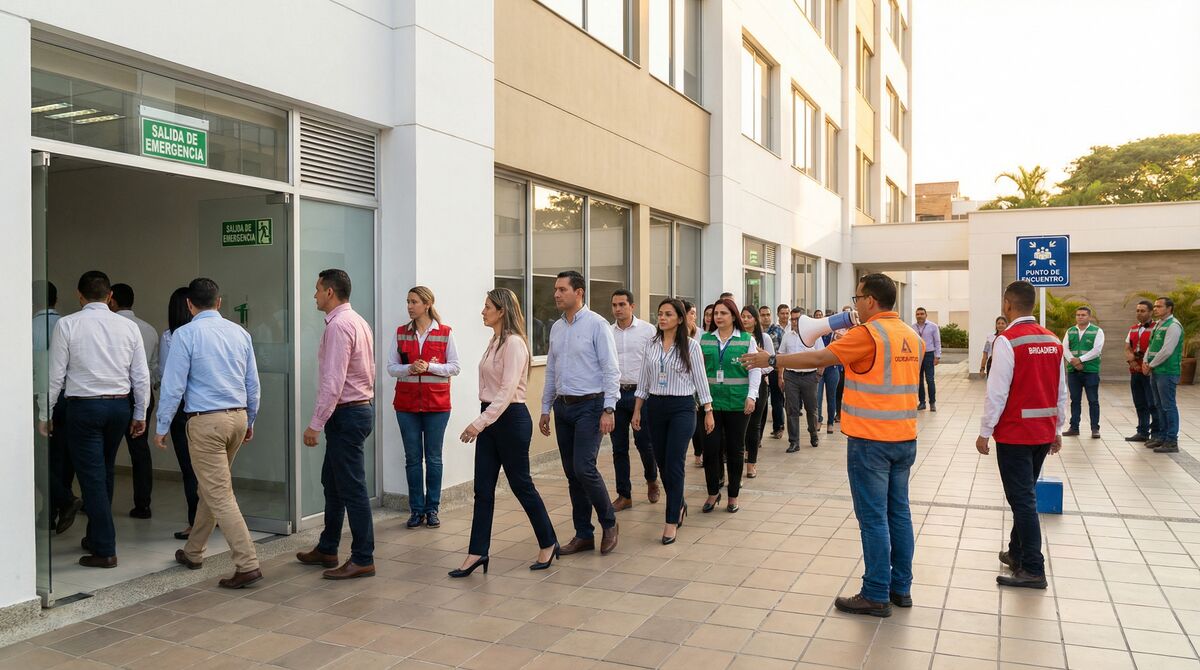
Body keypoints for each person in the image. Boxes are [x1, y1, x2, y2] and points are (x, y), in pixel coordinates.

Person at [742, 273, 922, 617]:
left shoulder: (868, 334)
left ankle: (875, 592)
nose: (854, 305)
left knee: (873, 519)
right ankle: (901, 588)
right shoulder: (910, 336)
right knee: (899, 513)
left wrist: (772, 360)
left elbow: (816, 359)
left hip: (871, 441)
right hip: (905, 438)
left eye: (857, 299)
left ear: (870, 300)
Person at [156, 277, 261, 588]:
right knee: (211, 488)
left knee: (218, 492)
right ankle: (193, 551)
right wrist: (250, 420)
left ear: (189, 305)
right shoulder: (240, 333)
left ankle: (248, 563)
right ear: (219, 302)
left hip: (206, 422)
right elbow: (252, 384)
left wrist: (161, 426)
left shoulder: (184, 335)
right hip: (237, 417)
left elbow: (174, 386)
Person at [43, 271, 150, 569]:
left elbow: (55, 376)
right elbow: (140, 375)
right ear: (110, 296)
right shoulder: (128, 328)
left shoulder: (68, 324)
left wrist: (46, 413)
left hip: (84, 409)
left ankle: (104, 548)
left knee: (91, 476)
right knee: (103, 470)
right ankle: (94, 538)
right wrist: (140, 413)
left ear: (79, 295)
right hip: (119, 408)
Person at [452, 289, 558, 577]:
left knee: (521, 484)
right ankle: (477, 553)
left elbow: (507, 390)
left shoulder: (514, 344)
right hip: (492, 417)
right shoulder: (494, 341)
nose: (482, 311)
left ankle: (548, 542)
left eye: (487, 307)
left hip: (510, 419)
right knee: (482, 489)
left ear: (501, 311)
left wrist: (479, 422)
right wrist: (485, 420)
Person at [976, 280, 1067, 590]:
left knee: (1023, 501)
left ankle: (1032, 567)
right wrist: (1057, 429)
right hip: (1042, 432)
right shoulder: (1053, 340)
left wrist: (985, 432)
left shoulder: (1008, 340)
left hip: (1015, 433)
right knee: (1025, 495)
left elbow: (997, 392)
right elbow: (1061, 391)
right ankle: (1016, 553)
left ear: (1007, 304)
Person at [298, 269, 377, 580]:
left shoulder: (339, 326)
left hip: (346, 414)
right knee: (332, 483)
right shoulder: (356, 321)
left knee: (352, 489)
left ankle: (363, 557)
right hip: (354, 411)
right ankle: (328, 547)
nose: (314, 295)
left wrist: (315, 425)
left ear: (330, 292)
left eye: (317, 289)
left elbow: (333, 382)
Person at [540, 271, 621, 555]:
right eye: (556, 289)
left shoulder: (598, 325)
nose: (556, 294)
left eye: (562, 289)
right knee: (571, 473)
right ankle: (583, 534)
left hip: (591, 405)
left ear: (579, 292)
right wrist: (545, 407)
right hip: (563, 407)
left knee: (584, 468)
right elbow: (551, 369)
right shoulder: (557, 328)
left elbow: (611, 370)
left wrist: (609, 408)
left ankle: (609, 523)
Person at [633, 298, 713, 544]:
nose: (662, 317)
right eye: (660, 313)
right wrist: (637, 410)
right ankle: (679, 503)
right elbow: (644, 381)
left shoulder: (691, 346)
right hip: (655, 406)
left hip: (682, 408)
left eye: (668, 314)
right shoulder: (651, 344)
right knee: (662, 463)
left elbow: (701, 380)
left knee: (675, 462)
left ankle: (670, 521)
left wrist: (708, 410)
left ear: (680, 318)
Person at [388, 286, 461, 529]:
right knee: (412, 459)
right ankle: (416, 510)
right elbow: (391, 367)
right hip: (406, 405)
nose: (409, 306)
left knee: (433, 459)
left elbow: (455, 367)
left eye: (414, 302)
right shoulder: (400, 333)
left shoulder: (444, 333)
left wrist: (429, 367)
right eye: (408, 301)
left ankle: (432, 509)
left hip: (437, 406)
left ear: (427, 304)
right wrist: (409, 369)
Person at [699, 298, 760, 513]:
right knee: (711, 449)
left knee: (735, 450)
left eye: (723, 313)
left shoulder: (746, 340)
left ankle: (733, 495)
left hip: (737, 403)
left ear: (733, 316)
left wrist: (752, 396)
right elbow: (699, 372)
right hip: (710, 405)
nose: (718, 317)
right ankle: (713, 492)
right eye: (716, 313)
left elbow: (755, 369)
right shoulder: (705, 340)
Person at [34, 280, 81, 535]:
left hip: (42, 397)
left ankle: (63, 500)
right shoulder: (70, 324)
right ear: (56, 299)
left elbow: (42, 371)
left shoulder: (30, 328)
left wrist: (43, 408)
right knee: (61, 458)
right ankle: (49, 513)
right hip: (70, 397)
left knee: (37, 460)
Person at [109, 283, 159, 519]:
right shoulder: (148, 329)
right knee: (139, 450)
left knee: (105, 450)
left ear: (112, 300)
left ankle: (99, 504)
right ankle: (143, 504)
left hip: (117, 394)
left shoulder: (110, 327)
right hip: (144, 393)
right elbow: (155, 368)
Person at [609, 290, 659, 510]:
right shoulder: (607, 332)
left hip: (642, 394)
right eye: (614, 305)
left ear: (632, 306)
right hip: (616, 394)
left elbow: (657, 362)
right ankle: (624, 494)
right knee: (618, 447)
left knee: (644, 443)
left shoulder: (648, 331)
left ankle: (651, 480)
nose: (618, 309)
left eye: (622, 304)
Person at [159, 287, 199, 540]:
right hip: (214, 411)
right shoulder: (220, 332)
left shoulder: (171, 337)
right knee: (212, 472)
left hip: (184, 412)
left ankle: (196, 523)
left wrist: (162, 423)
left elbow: (169, 379)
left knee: (190, 469)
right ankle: (210, 519)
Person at [779, 305, 824, 452]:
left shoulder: (814, 335)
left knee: (811, 409)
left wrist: (818, 375)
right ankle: (794, 442)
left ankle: (813, 433)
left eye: (797, 319)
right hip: (791, 376)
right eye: (792, 320)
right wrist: (781, 376)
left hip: (810, 377)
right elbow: (781, 357)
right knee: (791, 409)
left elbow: (823, 356)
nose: (794, 322)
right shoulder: (787, 336)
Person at [1144, 297, 1184, 453]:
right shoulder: (1158, 325)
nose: (1155, 309)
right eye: (1154, 306)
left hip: (1167, 371)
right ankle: (1161, 436)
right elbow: (1152, 346)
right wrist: (1146, 362)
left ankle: (1171, 440)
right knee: (1159, 405)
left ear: (1169, 309)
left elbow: (1167, 350)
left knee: (1168, 406)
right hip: (1156, 370)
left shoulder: (1174, 326)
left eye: (1159, 306)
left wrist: (1151, 365)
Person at [1061, 306, 1104, 439]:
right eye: (1078, 315)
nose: (1080, 317)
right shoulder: (1070, 331)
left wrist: (1080, 360)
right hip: (1073, 372)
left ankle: (1095, 429)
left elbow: (1096, 350)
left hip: (1090, 371)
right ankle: (1074, 427)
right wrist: (1073, 361)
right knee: (1075, 400)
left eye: (1083, 315)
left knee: (1093, 400)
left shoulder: (1097, 331)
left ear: (1089, 317)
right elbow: (1065, 348)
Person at [742, 306, 773, 478]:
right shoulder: (738, 337)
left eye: (749, 317)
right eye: (743, 316)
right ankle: (741, 456)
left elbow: (771, 363)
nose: (746, 320)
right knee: (740, 426)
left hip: (759, 383)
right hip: (739, 384)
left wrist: (756, 368)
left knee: (754, 425)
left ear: (755, 319)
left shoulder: (764, 338)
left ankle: (751, 462)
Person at [1124, 300, 1158, 443]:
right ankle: (1142, 432)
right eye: (1137, 310)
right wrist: (1132, 362)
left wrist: (1146, 365)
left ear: (1150, 312)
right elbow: (1127, 347)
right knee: (1140, 403)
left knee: (1153, 403)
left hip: (1149, 371)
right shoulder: (1133, 328)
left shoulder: (1156, 328)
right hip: (1135, 371)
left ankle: (1156, 433)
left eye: (1142, 311)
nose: (1139, 313)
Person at [814, 310, 841, 436]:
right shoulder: (818, 334)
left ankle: (830, 422)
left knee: (832, 396)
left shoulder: (837, 335)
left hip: (832, 369)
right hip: (819, 369)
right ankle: (819, 420)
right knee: (818, 397)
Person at [764, 304, 788, 439]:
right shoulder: (755, 332)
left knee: (776, 400)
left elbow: (782, 354)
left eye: (768, 315)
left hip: (774, 370)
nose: (765, 317)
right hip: (759, 371)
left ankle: (778, 427)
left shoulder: (777, 331)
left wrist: (780, 374)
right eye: (763, 315)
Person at [912, 308, 940, 411]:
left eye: (922, 314)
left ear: (926, 315)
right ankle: (922, 402)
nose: (919, 315)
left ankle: (932, 403)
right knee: (919, 380)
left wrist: (937, 356)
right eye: (917, 314)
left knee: (930, 380)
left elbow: (937, 342)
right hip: (917, 355)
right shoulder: (912, 327)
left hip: (929, 354)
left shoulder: (933, 326)